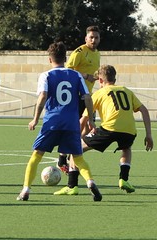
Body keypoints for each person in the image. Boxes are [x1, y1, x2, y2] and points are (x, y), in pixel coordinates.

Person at [16, 42, 102, 202]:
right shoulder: (76, 75)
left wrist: (35, 119)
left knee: (36, 156)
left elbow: (42, 97)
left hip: (52, 122)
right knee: (78, 158)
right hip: (71, 122)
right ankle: (90, 182)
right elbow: (88, 97)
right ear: (65, 58)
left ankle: (26, 190)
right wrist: (90, 119)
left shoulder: (46, 75)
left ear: (50, 59)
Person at [54, 64, 154, 195]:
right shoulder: (126, 90)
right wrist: (149, 135)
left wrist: (73, 139)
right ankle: (123, 179)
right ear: (115, 79)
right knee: (126, 149)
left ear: (100, 80)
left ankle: (72, 186)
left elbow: (83, 120)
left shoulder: (99, 93)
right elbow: (144, 110)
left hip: (109, 129)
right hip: (129, 130)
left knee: (76, 149)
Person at [57, 25, 101, 175]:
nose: (94, 40)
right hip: (76, 95)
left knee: (87, 129)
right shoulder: (80, 51)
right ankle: (64, 157)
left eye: (96, 37)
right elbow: (68, 70)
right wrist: (85, 75)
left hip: (88, 95)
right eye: (91, 37)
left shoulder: (97, 54)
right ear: (86, 38)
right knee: (76, 127)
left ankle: (68, 154)